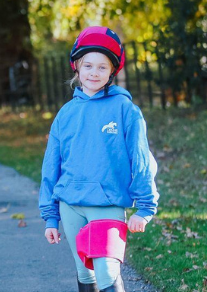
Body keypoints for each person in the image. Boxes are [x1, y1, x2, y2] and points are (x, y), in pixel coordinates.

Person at [37, 26, 160, 292]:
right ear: (76, 68)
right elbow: (51, 166)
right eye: (88, 66)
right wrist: (50, 216)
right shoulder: (66, 114)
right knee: (85, 274)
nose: (94, 72)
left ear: (113, 71)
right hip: (70, 206)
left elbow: (140, 159)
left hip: (107, 203)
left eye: (102, 67)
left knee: (107, 274)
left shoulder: (125, 110)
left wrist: (146, 208)